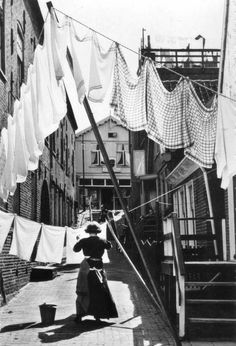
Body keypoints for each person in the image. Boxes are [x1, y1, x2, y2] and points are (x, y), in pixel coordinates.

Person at [73, 221, 118, 323]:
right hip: (98, 269)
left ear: (88, 232)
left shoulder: (84, 241)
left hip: (86, 268)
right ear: (98, 232)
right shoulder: (102, 241)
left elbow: (75, 249)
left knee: (84, 290)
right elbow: (109, 246)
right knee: (99, 291)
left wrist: (79, 241)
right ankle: (98, 315)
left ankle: (80, 315)